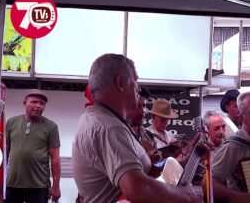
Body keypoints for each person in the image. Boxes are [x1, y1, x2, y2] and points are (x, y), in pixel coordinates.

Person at [72, 53, 203, 203]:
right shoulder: (110, 127)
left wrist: (189, 161)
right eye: (135, 80)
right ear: (120, 82)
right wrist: (188, 195)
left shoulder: (97, 119)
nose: (138, 88)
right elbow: (137, 188)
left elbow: (148, 174)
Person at [5, 89, 61, 203]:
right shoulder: (11, 122)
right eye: (34, 102)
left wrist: (56, 186)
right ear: (24, 103)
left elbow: (55, 158)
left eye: (42, 103)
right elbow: (5, 153)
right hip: (13, 184)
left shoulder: (51, 126)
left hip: (39, 186)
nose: (38, 106)